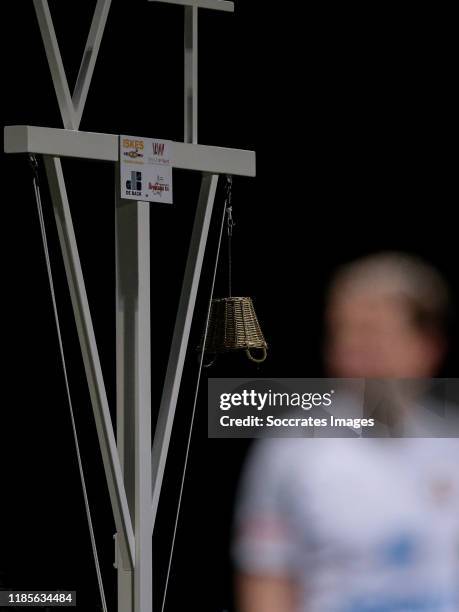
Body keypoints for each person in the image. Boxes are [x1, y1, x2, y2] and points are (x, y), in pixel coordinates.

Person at [232, 252, 459, 612]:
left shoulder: (451, 442)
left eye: (373, 333)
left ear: (427, 345)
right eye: (343, 332)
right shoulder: (291, 447)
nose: (354, 352)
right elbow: (265, 578)